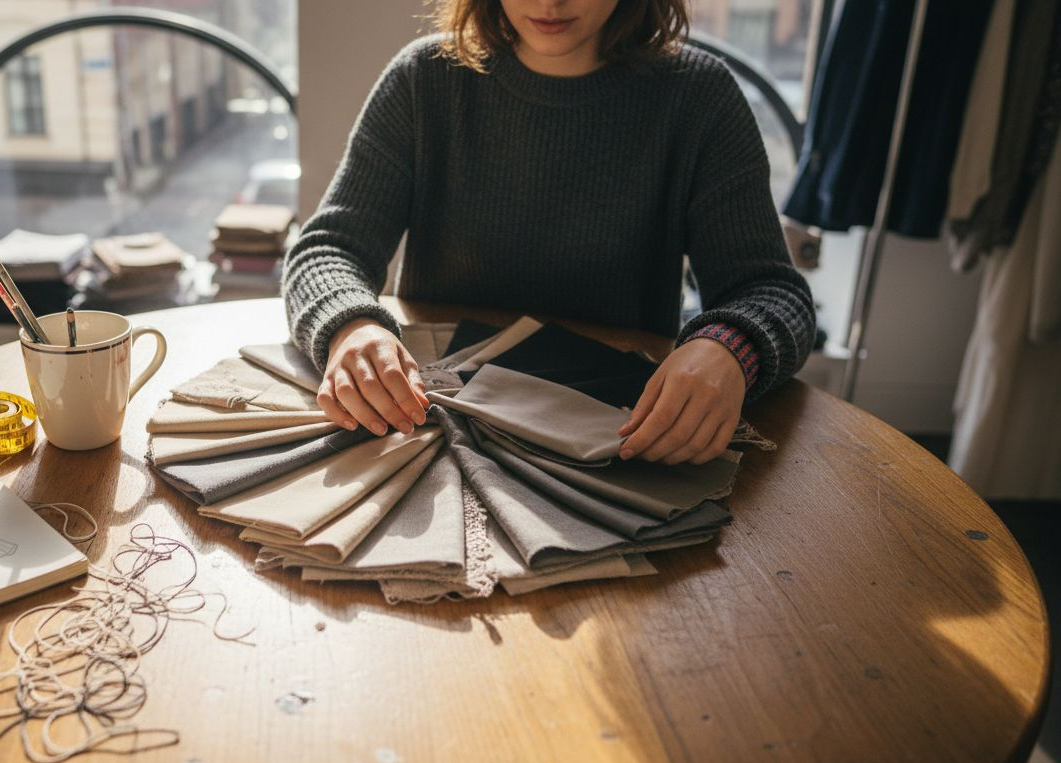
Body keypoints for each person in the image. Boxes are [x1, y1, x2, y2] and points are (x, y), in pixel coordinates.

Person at [281, 0, 816, 465]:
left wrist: (729, 348)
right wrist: (351, 326)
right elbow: (329, 247)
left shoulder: (699, 97)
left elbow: (773, 291)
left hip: (617, 439)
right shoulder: (425, 78)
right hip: (427, 428)